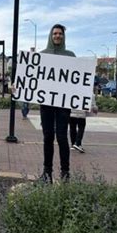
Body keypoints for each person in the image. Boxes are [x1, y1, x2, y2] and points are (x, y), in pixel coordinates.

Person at [39, 24, 76, 183]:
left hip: (63, 103)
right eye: (55, 33)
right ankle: (47, 173)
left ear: (63, 36)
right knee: (47, 137)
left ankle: (65, 173)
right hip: (46, 103)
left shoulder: (70, 56)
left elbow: (78, 81)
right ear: (50, 35)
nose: (57, 36)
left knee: (62, 137)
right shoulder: (42, 55)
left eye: (60, 33)